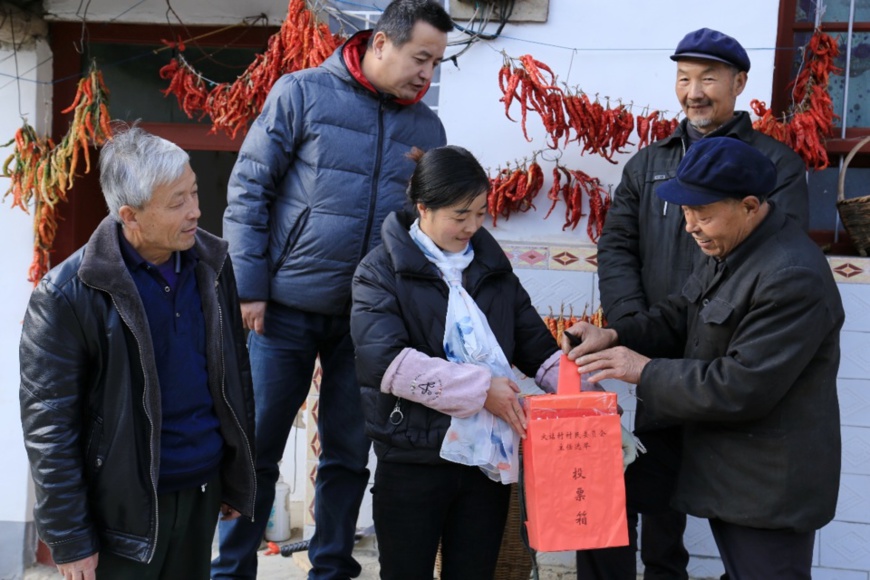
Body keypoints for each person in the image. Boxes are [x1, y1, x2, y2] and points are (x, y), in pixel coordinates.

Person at [214, 2, 453, 578]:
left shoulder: (426, 128)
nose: (427, 74)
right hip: (283, 310)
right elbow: (249, 191)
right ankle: (231, 569)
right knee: (257, 448)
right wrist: (250, 288)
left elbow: (424, 224)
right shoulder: (301, 93)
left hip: (368, 319)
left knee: (349, 453)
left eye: (437, 64)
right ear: (380, 45)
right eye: (421, 58)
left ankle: (330, 567)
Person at [589, 27, 811, 579]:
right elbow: (616, 245)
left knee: (732, 505)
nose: (694, 91)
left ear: (739, 83)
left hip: (729, 359)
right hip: (660, 354)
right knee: (647, 495)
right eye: (684, 78)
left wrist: (662, 345)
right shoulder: (648, 164)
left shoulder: (773, 165)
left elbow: (774, 262)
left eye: (708, 78)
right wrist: (629, 328)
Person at [566, 136, 842, 580]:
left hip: (762, 474)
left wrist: (643, 370)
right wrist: (615, 334)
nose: (691, 225)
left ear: (750, 206)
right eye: (686, 211)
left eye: (703, 213)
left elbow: (740, 386)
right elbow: (682, 314)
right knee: (602, 484)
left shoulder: (791, 274)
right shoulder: (728, 246)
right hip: (702, 442)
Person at [18, 125, 256, 579]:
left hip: (202, 488)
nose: (196, 211)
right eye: (177, 202)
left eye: (194, 192)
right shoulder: (68, 294)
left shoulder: (213, 264)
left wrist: (235, 476)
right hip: (121, 514)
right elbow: (49, 425)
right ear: (130, 215)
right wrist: (69, 537)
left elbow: (234, 376)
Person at [350, 145, 570, 579]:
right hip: (413, 458)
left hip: (485, 464)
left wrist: (586, 402)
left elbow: (539, 351)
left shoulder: (493, 271)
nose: (472, 226)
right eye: (459, 215)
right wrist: (480, 389)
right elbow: (384, 361)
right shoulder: (380, 272)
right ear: (423, 209)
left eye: (480, 213)